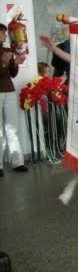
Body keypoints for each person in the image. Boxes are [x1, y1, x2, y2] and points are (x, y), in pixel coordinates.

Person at [0, 23, 28, 177]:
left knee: (12, 128)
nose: (5, 35)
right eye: (3, 33)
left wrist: (16, 63)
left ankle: (17, 162)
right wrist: (4, 62)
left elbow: (12, 73)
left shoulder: (7, 50)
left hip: (9, 91)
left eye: (5, 33)